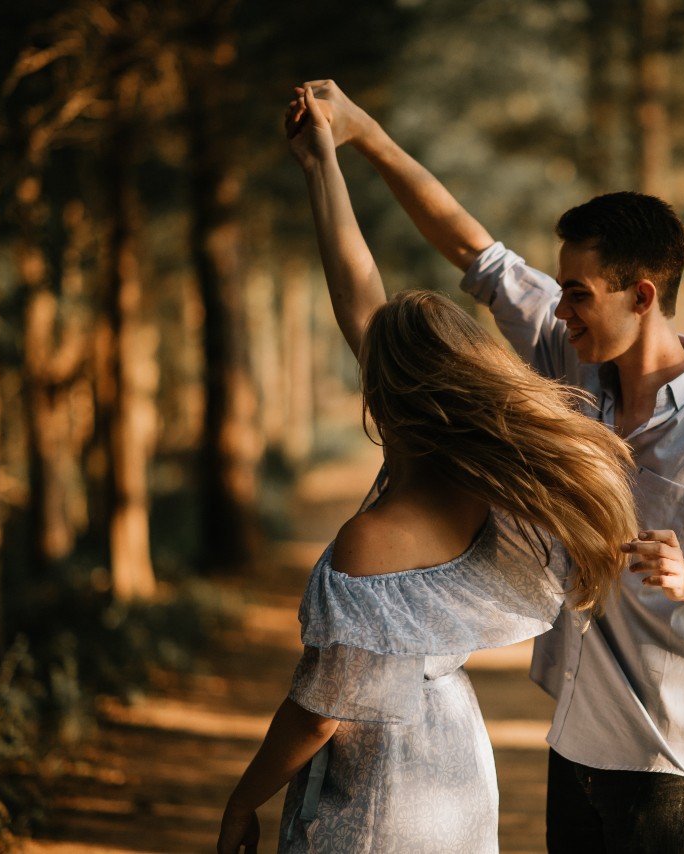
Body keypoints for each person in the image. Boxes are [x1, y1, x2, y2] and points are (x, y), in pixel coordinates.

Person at [294, 80, 684, 853]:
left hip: (669, 765)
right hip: (572, 748)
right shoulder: (570, 364)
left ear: (642, 296)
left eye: (577, 295)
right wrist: (365, 138)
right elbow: (474, 250)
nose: (558, 311)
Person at [215, 90, 638, 854]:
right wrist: (323, 167)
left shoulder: (371, 541)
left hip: (385, 791)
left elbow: (322, 711)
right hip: (457, 764)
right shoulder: (502, 498)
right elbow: (360, 295)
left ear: (383, 391)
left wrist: (243, 801)